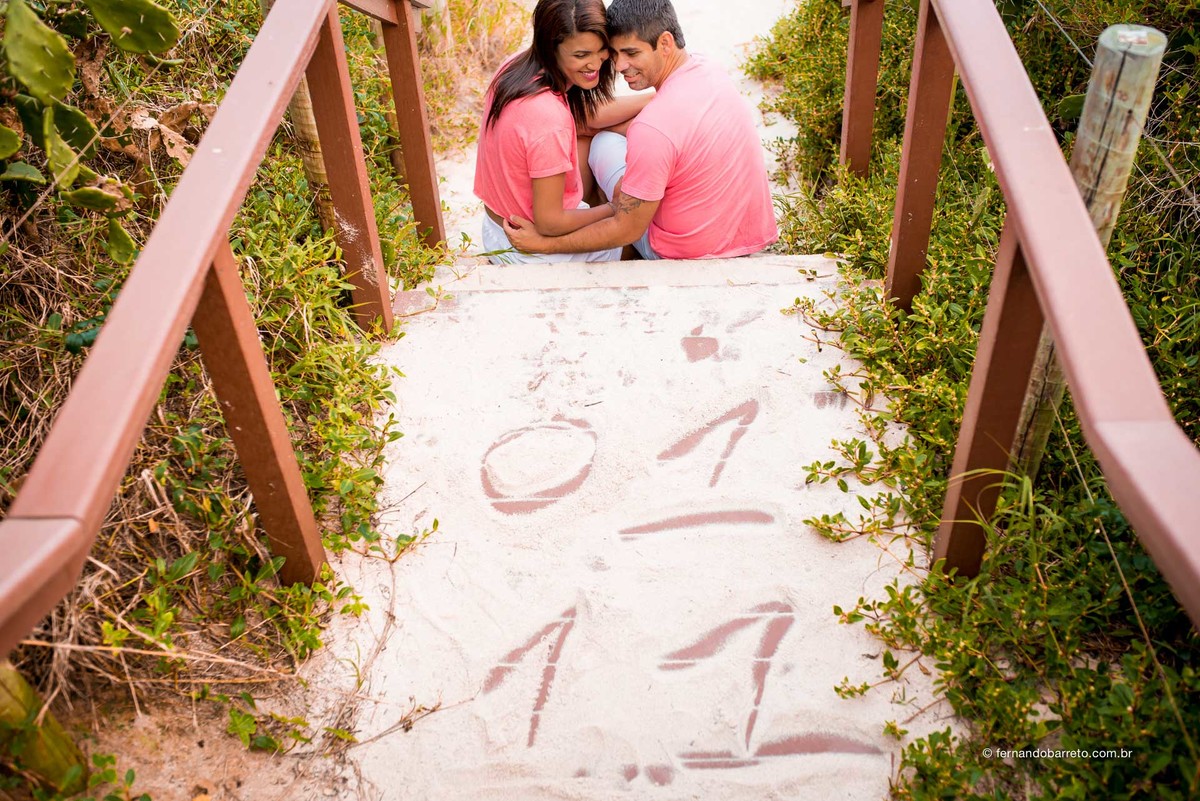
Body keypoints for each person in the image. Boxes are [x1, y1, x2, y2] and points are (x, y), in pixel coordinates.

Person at [504, 0, 778, 261]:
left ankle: (594, 224)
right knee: (612, 140)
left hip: (682, 252)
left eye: (632, 53)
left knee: (601, 143)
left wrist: (545, 245)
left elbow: (627, 229)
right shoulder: (709, 70)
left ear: (665, 43)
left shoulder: (653, 128)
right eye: (614, 53)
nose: (620, 66)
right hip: (744, 238)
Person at [474, 0, 650, 264]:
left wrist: (654, 99)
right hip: (528, 248)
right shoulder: (548, 118)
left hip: (497, 226)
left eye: (601, 51)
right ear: (551, 48)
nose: (595, 64)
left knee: (586, 139)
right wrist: (613, 210)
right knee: (638, 241)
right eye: (581, 55)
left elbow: (586, 118)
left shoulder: (516, 68)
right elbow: (549, 224)